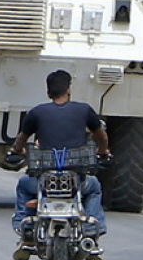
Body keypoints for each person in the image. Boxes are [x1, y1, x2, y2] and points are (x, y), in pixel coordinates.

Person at [7, 70, 111, 250]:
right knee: (94, 187)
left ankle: (27, 228)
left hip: (44, 181)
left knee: (24, 185)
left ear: (48, 93)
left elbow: (21, 139)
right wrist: (103, 152)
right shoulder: (84, 110)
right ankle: (92, 229)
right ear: (69, 90)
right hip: (76, 181)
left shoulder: (37, 112)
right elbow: (101, 135)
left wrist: (17, 150)